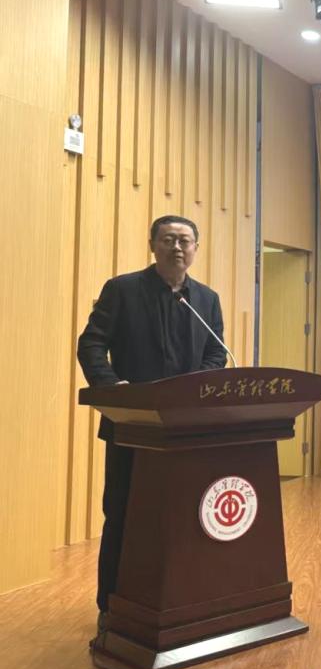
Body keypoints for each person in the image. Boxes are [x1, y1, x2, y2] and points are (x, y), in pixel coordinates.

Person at [77, 215, 227, 630]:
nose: (177, 247)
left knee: (186, 517)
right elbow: (91, 344)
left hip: (187, 431)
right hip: (133, 426)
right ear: (152, 245)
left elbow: (216, 354)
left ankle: (182, 601)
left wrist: (195, 393)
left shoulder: (207, 299)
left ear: (195, 249)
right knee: (123, 513)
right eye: (168, 239)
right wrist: (113, 389)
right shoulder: (123, 289)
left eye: (185, 240)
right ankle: (111, 607)